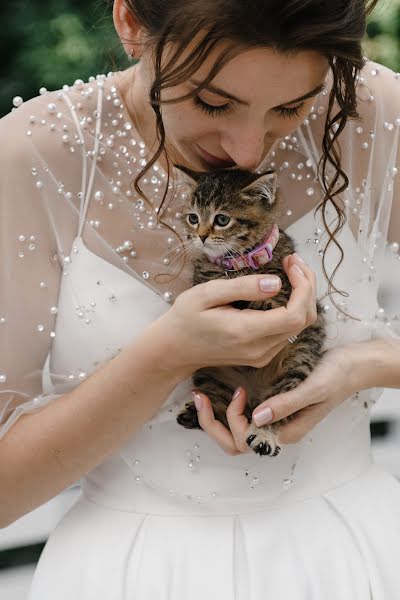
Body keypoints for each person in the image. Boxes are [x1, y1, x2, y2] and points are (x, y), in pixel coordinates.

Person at [0, 0, 399, 597]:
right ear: (131, 25)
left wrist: (362, 365)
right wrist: (166, 356)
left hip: (353, 559)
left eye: (292, 106)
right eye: (212, 101)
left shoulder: (367, 111)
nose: (245, 151)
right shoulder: (32, 156)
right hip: (133, 574)